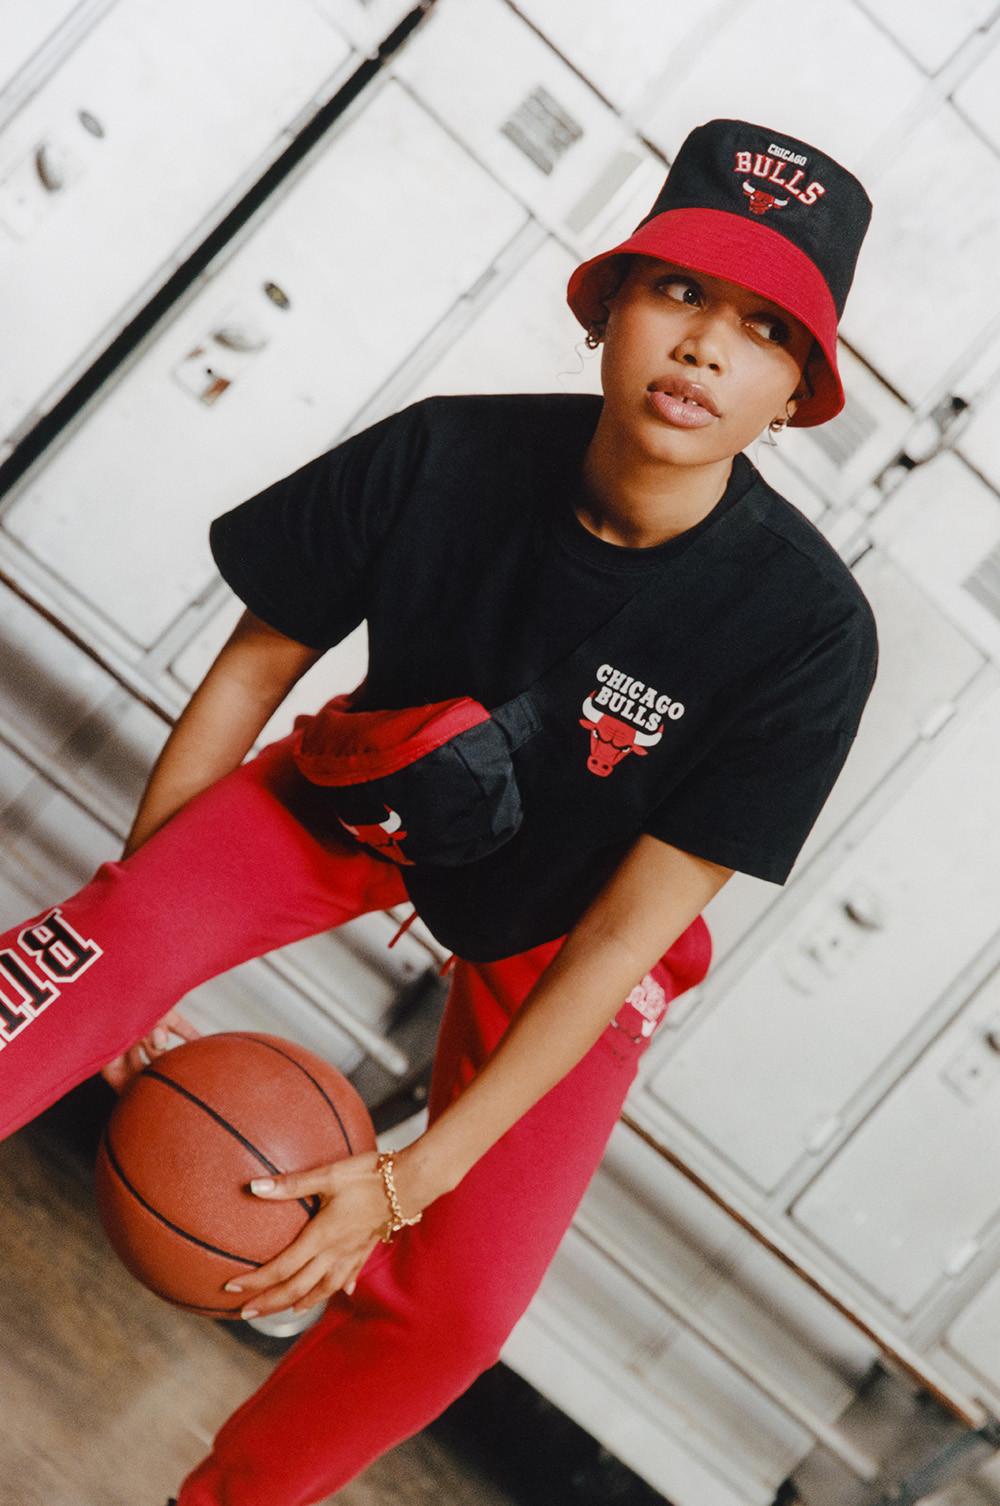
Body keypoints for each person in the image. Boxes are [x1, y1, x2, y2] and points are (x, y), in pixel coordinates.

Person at [0, 117, 878, 1505]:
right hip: (371, 795)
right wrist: (138, 938)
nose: (707, 345)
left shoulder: (806, 632)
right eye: (681, 291)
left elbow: (616, 944)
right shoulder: (443, 455)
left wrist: (409, 1182)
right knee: (86, 954)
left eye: (764, 328)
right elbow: (253, 671)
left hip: (574, 920)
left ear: (795, 394)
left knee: (462, 1312)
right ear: (606, 306)